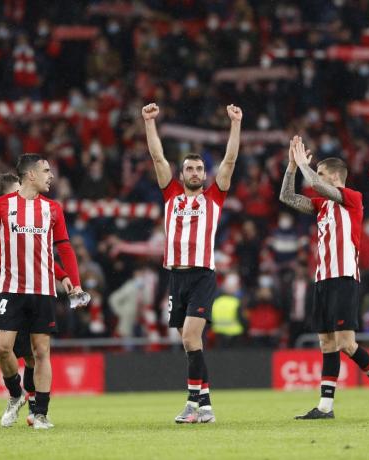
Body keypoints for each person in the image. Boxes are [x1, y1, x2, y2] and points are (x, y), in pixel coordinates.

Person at [280, 136, 369, 420]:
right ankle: (325, 407)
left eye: (321, 173)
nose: (316, 179)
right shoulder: (321, 205)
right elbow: (287, 197)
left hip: (344, 276)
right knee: (327, 343)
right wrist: (291, 167)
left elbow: (318, 186)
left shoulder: (353, 199)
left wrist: (304, 167)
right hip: (322, 279)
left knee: (346, 343)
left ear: (334, 176)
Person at [0, 154, 82, 430]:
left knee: (40, 352)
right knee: (2, 349)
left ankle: (40, 413)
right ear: (31, 175)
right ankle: (16, 393)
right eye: (46, 171)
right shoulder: (1, 207)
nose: (51, 176)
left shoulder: (53, 209)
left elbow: (63, 247)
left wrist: (73, 281)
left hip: (42, 292)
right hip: (9, 291)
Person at [142, 102, 242, 424]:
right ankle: (207, 406)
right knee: (191, 342)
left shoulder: (214, 197)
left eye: (199, 169)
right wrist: (149, 123)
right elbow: (158, 157)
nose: (195, 174)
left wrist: (235, 124)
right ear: (182, 173)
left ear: (204, 174)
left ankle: (191, 404)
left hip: (201, 276)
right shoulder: (171, 195)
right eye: (190, 169)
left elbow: (230, 160)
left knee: (188, 338)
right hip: (176, 277)